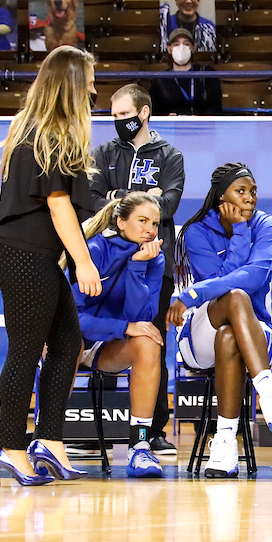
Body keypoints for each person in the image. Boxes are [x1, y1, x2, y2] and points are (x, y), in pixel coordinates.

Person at [0, 46, 101, 486]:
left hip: (32, 253)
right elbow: (57, 205)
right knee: (26, 350)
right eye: (89, 80)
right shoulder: (49, 132)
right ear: (72, 82)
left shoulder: (38, 128)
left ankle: (49, 441)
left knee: (69, 343)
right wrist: (84, 262)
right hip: (21, 251)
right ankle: (13, 447)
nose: (94, 88)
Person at [166, 163, 272, 478]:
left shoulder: (266, 224)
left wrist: (192, 292)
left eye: (253, 191)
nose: (250, 198)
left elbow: (254, 277)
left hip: (254, 332)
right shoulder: (196, 231)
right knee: (235, 298)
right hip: (200, 333)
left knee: (230, 334)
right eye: (240, 191)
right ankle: (270, 395)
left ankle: (225, 442)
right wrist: (239, 232)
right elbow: (221, 283)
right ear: (221, 196)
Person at [90, 83, 185, 458]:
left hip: (152, 266)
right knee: (97, 329)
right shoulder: (103, 152)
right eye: (113, 116)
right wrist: (139, 197)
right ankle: (85, 428)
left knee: (152, 337)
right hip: (107, 260)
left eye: (124, 115)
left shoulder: (169, 154)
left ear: (143, 113)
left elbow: (170, 202)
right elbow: (93, 199)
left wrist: (121, 197)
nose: (118, 122)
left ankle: (151, 431)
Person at [72, 192, 169, 477]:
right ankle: (46, 439)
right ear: (121, 222)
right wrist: (122, 328)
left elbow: (140, 319)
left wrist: (137, 267)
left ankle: (139, 447)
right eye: (142, 220)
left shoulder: (154, 259)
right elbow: (71, 319)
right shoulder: (95, 249)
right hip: (71, 339)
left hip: (108, 347)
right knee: (68, 342)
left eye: (154, 223)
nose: (150, 229)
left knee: (148, 343)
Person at [149, 28, 222, 117]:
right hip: (173, 128)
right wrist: (166, 117)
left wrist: (201, 118)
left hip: (203, 127)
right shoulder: (161, 80)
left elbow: (215, 106)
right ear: (169, 49)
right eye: (176, 44)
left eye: (186, 44)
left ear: (193, 48)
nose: (181, 48)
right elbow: (155, 112)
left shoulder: (207, 74)